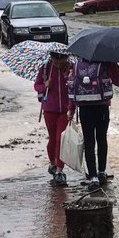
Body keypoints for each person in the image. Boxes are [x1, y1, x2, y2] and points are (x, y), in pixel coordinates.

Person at [67, 58, 119, 190]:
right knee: (101, 139)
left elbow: (72, 87)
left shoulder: (76, 65)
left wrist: (71, 108)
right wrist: (114, 64)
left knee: (89, 142)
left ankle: (93, 177)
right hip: (102, 108)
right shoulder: (106, 63)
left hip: (84, 109)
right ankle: (102, 172)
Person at [34, 51, 73, 186]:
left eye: (61, 60)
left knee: (60, 139)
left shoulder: (72, 68)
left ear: (66, 57)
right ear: (51, 58)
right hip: (49, 109)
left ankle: (60, 171)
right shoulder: (45, 68)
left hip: (66, 110)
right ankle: (52, 163)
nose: (58, 63)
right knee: (52, 138)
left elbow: (77, 86)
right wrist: (45, 85)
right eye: (55, 60)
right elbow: (36, 86)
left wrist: (69, 77)